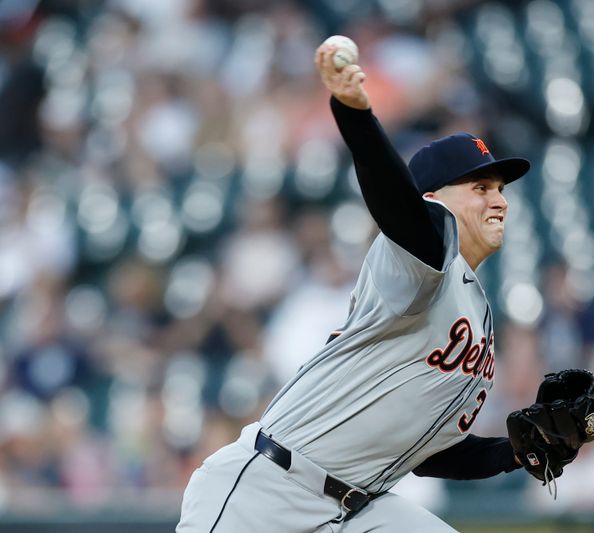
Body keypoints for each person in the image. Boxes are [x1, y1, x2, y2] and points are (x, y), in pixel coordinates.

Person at [177, 40, 563, 533]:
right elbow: (401, 210)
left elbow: (429, 453)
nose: (499, 202)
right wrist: (356, 116)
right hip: (268, 490)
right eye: (480, 188)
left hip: (359, 507)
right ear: (433, 199)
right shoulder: (421, 253)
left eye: (500, 190)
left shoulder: (477, 314)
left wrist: (518, 449)